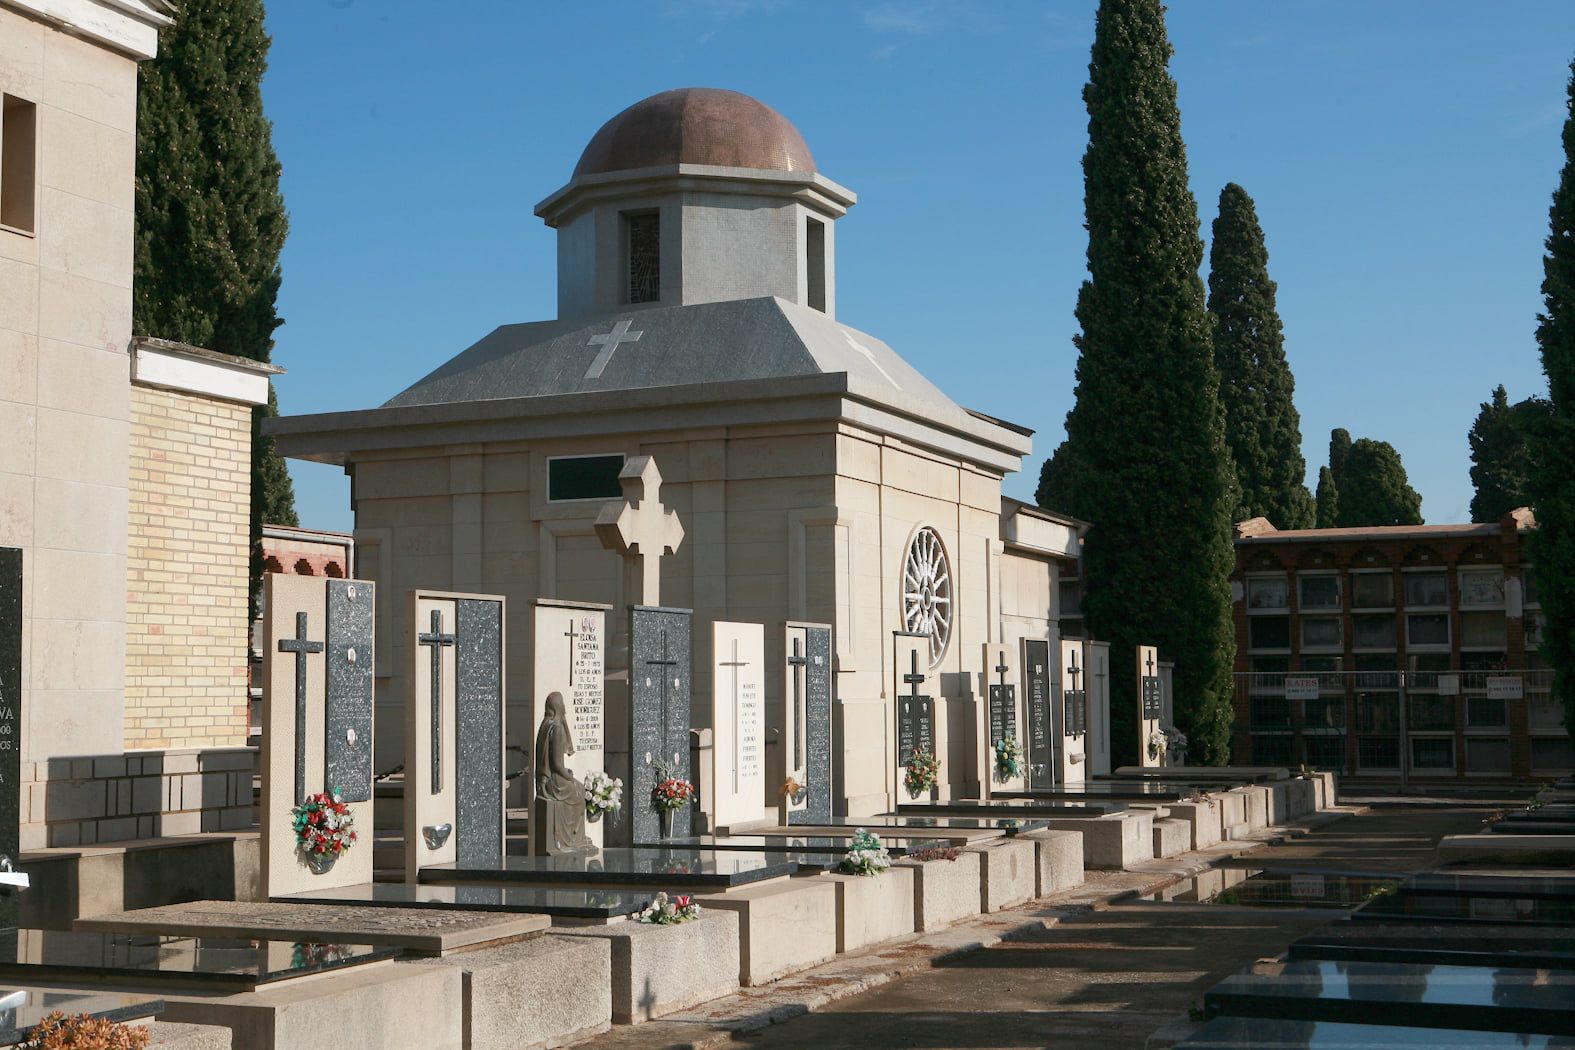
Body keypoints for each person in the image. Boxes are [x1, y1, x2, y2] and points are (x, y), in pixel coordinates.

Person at [534, 691, 596, 855]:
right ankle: (572, 838)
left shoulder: (545, 724)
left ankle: (573, 837)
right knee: (580, 793)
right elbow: (556, 764)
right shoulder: (557, 728)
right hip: (554, 783)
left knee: (578, 788)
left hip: (544, 780)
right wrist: (568, 775)